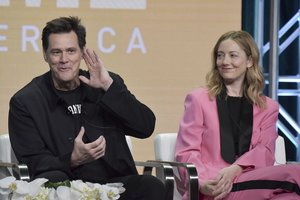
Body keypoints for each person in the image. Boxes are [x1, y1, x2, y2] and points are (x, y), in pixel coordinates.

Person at [8, 16, 165, 200]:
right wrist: (72, 159)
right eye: (56, 52)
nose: (64, 59)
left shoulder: (105, 84)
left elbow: (145, 127)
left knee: (151, 186)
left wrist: (108, 86)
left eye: (71, 51)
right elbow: (32, 161)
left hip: (115, 186)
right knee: (54, 182)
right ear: (45, 54)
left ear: (82, 52)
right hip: (66, 187)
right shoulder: (26, 101)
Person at [175, 30, 300, 200]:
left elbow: (265, 151)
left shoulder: (268, 107)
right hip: (214, 185)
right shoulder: (198, 99)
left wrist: (236, 169)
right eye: (220, 56)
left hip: (251, 180)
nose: (225, 62)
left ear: (249, 61)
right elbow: (187, 152)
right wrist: (202, 183)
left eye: (233, 55)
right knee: (296, 173)